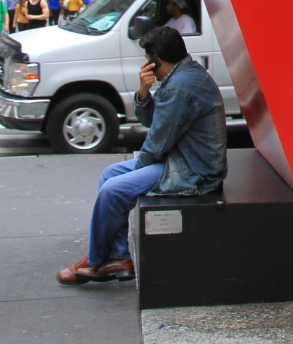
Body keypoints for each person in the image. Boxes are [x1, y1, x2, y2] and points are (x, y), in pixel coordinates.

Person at [57, 26, 227, 284]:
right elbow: (154, 122)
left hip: (193, 171)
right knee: (110, 174)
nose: (146, 64)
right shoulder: (180, 76)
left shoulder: (180, 87)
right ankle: (117, 257)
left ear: (157, 58)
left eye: (148, 59)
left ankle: (95, 262)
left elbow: (156, 145)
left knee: (113, 190)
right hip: (180, 159)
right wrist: (143, 92)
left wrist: (136, 172)